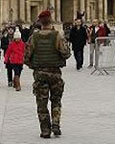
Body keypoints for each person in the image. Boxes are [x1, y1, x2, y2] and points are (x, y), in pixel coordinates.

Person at [24, 10, 71, 139]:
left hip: (40, 74)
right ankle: (56, 124)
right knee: (56, 100)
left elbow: (26, 56)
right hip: (55, 73)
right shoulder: (58, 36)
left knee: (42, 103)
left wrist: (34, 66)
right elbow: (66, 53)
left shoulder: (34, 37)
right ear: (51, 20)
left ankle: (45, 130)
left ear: (40, 22)